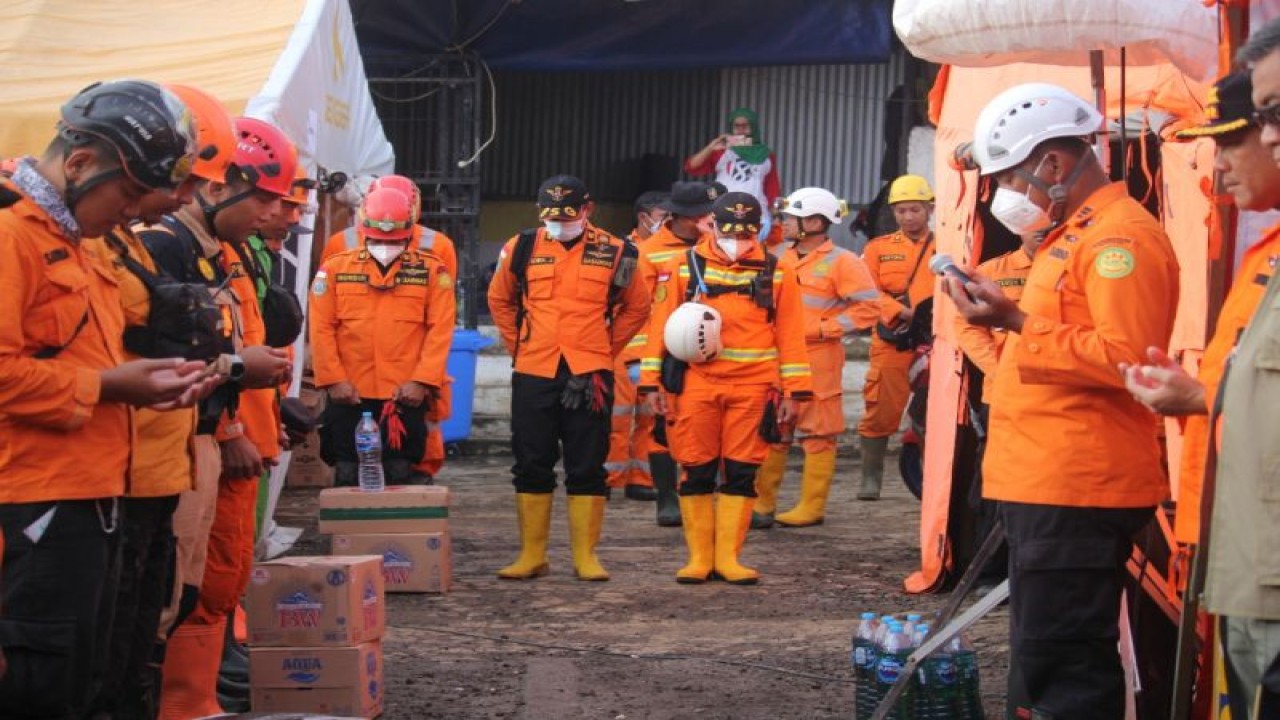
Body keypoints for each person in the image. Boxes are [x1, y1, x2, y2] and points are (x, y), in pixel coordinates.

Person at [943, 82, 1180, 718]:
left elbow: (1128, 359)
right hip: (1045, 478)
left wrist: (1018, 321)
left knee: (1064, 669)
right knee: (1044, 660)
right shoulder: (1072, 234)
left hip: (1076, 484)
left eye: (1007, 177)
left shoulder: (1119, 241)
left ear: (1052, 164)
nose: (1001, 196)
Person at [0, 79, 211, 720]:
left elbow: (76, 359)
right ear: (81, 162)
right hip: (33, 503)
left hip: (89, 496)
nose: (135, 211)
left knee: (79, 676)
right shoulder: (12, 239)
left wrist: (146, 382)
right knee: (39, 681)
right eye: (127, 192)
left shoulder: (79, 246)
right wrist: (109, 387)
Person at [83, 81, 244, 720]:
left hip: (159, 460)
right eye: (172, 184)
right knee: (99, 641)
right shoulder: (54, 239)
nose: (179, 199)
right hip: (106, 477)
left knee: (151, 617)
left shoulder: (122, 241)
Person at [1124, 63, 1280, 718]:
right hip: (1242, 558)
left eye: (1231, 140)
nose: (1215, 169)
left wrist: (1199, 399)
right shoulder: (1263, 258)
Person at [144, 116, 297, 719]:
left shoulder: (217, 255)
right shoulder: (167, 246)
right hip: (181, 439)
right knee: (176, 587)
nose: (270, 212)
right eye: (262, 197)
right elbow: (164, 352)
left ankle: (195, 701)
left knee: (204, 581)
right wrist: (236, 390)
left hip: (210, 435)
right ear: (217, 186)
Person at [639, 192, 813, 585]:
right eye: (730, 230)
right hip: (695, 385)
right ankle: (699, 558)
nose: (739, 238)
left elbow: (790, 334)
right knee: (696, 470)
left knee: (741, 473)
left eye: (748, 231)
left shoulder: (777, 269)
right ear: (710, 225)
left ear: (760, 229)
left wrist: (795, 391)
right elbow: (659, 329)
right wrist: (650, 382)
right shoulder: (682, 267)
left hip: (754, 388)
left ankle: (728, 559)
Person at [487, 175, 649, 581]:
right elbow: (500, 299)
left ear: (588, 209)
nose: (559, 222)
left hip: (588, 372)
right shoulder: (520, 247)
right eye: (551, 216)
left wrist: (604, 349)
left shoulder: (616, 251)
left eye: (569, 214)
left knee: (587, 463)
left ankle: (585, 556)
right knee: (531, 461)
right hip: (534, 370)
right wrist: (518, 347)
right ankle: (532, 555)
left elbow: (637, 306)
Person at [310, 186, 456, 485]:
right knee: (348, 470)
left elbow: (439, 330)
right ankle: (352, 532)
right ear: (364, 231)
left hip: (405, 394)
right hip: (348, 391)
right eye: (377, 239)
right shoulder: (335, 270)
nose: (386, 247)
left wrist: (422, 381)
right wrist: (333, 379)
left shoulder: (431, 271)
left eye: (395, 241)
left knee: (399, 470)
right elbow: (321, 328)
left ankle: (394, 530)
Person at [753, 187, 879, 528]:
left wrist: (824, 328)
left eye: (790, 218)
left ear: (814, 221)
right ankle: (762, 505)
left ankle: (811, 507)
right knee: (774, 428)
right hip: (778, 357)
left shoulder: (843, 262)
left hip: (819, 358)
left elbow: (869, 309)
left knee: (818, 434)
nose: (783, 223)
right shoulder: (777, 255)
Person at [951, 229, 1042, 592]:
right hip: (1003, 395)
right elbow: (967, 328)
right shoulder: (992, 271)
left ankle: (1030, 572)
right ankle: (990, 575)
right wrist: (1002, 370)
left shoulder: (1075, 266)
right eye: (1036, 228)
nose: (1042, 233)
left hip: (1059, 395)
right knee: (995, 484)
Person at [634, 181, 720, 527]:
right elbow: (639, 308)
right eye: (707, 215)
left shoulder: (718, 247)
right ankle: (667, 497)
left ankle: (701, 491)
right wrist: (647, 362)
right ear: (688, 217)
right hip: (669, 350)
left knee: (709, 426)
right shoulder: (650, 252)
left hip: (713, 350)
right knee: (662, 426)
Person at [856, 174, 936, 500]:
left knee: (932, 412)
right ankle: (870, 478)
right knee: (880, 409)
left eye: (914, 209)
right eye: (901, 211)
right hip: (892, 340)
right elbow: (866, 291)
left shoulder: (949, 246)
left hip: (934, 341)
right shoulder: (877, 249)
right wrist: (900, 312)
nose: (908, 217)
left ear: (929, 209)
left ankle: (931, 473)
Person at [607, 190, 669, 502]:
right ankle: (608, 477)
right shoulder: (625, 252)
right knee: (615, 418)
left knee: (650, 418)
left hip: (655, 351)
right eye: (663, 217)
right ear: (643, 218)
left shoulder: (671, 253)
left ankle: (642, 479)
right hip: (623, 349)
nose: (668, 223)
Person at [684, 108, 781, 239]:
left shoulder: (766, 155)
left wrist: (776, 216)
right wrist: (711, 147)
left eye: (745, 126)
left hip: (756, 216)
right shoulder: (721, 151)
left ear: (754, 127)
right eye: (737, 126)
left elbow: (772, 189)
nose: (741, 130)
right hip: (722, 214)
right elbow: (691, 167)